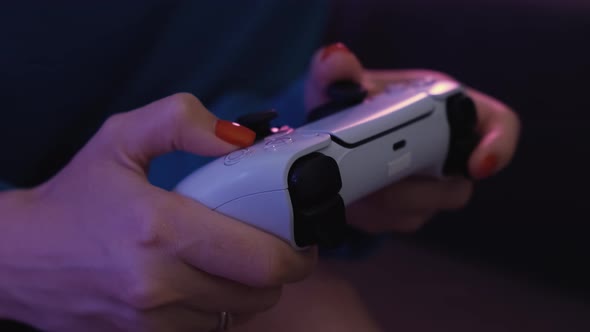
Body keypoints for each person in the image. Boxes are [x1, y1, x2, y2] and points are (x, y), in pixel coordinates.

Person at [0, 2, 520, 331]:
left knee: (312, 314)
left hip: (147, 237)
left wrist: (317, 128)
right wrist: (17, 249)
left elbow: (212, 113)